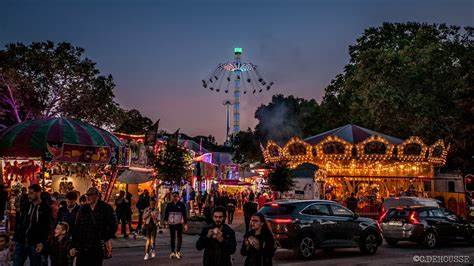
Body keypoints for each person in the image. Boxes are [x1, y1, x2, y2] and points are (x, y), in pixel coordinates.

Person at [70, 187, 116, 266]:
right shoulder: (83, 209)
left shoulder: (106, 208)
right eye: (87, 195)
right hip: (82, 246)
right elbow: (77, 227)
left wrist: (106, 238)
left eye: (90, 195)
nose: (88, 197)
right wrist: (73, 245)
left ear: (97, 196)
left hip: (96, 246)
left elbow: (113, 225)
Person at [13, 184, 52, 266]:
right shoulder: (26, 205)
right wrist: (15, 238)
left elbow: (47, 227)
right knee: (16, 263)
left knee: (35, 263)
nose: (29, 195)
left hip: (35, 242)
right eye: (28, 193)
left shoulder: (45, 208)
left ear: (38, 193)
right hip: (21, 240)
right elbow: (19, 222)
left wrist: (42, 242)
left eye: (31, 193)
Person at [164, 191, 188, 259]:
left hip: (179, 223)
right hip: (171, 224)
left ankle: (178, 251)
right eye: (173, 196)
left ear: (178, 197)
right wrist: (165, 221)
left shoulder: (181, 204)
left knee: (179, 237)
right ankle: (172, 252)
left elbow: (184, 214)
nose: (174, 197)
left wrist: (185, 224)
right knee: (172, 238)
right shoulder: (169, 204)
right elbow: (166, 213)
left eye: (176, 196)